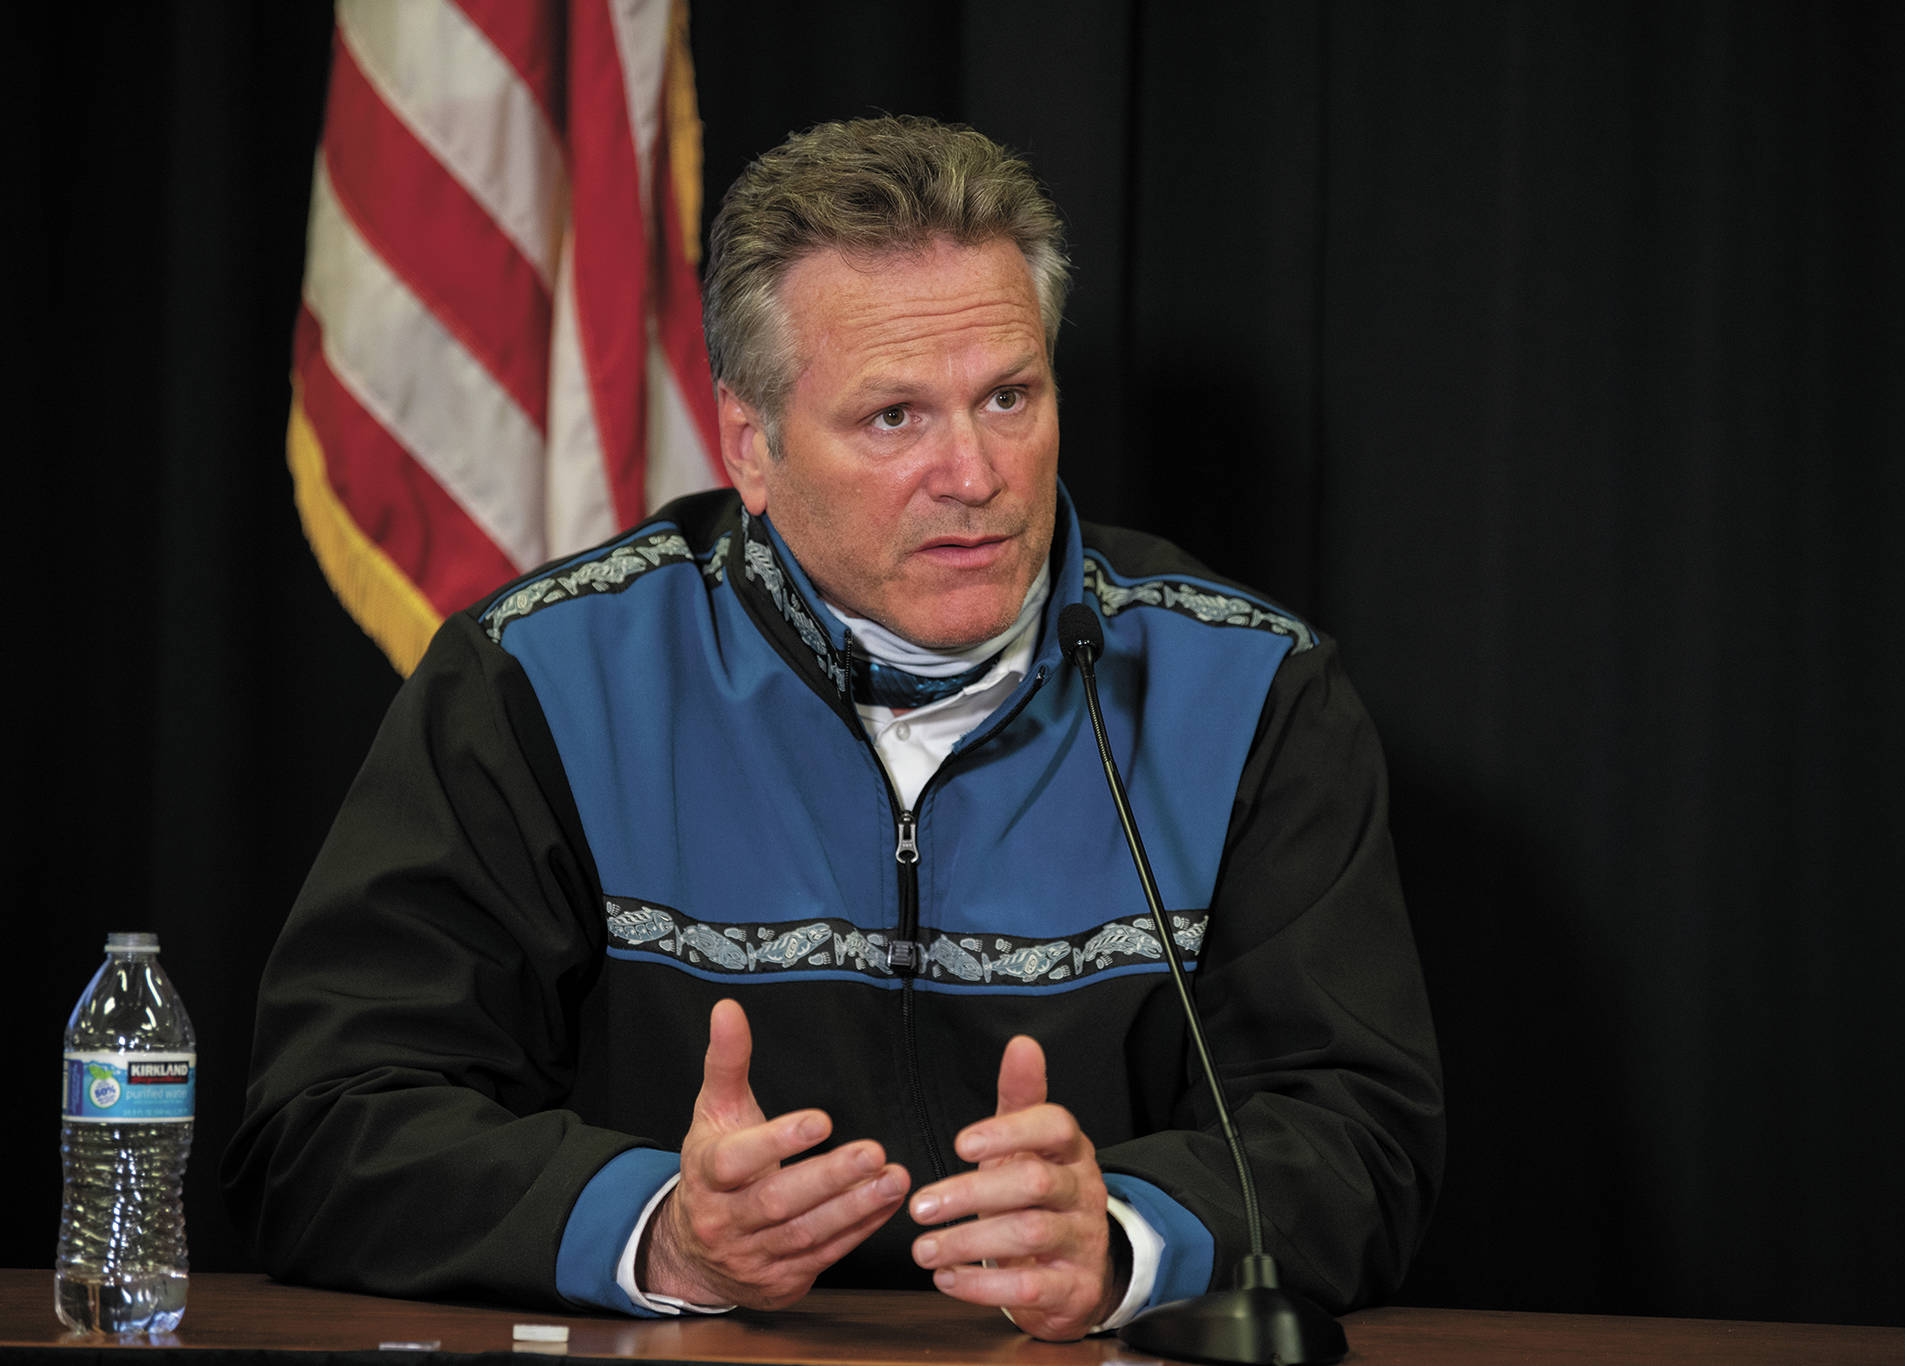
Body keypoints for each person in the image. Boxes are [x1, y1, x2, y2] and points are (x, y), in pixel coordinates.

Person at [224, 115, 1444, 1342]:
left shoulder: (1248, 688)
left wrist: (1126, 1234)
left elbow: (1360, 1137)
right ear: (748, 446)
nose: (974, 473)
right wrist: (659, 1229)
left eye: (1007, 397)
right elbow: (325, 1121)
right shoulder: (543, 677)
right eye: (893, 417)